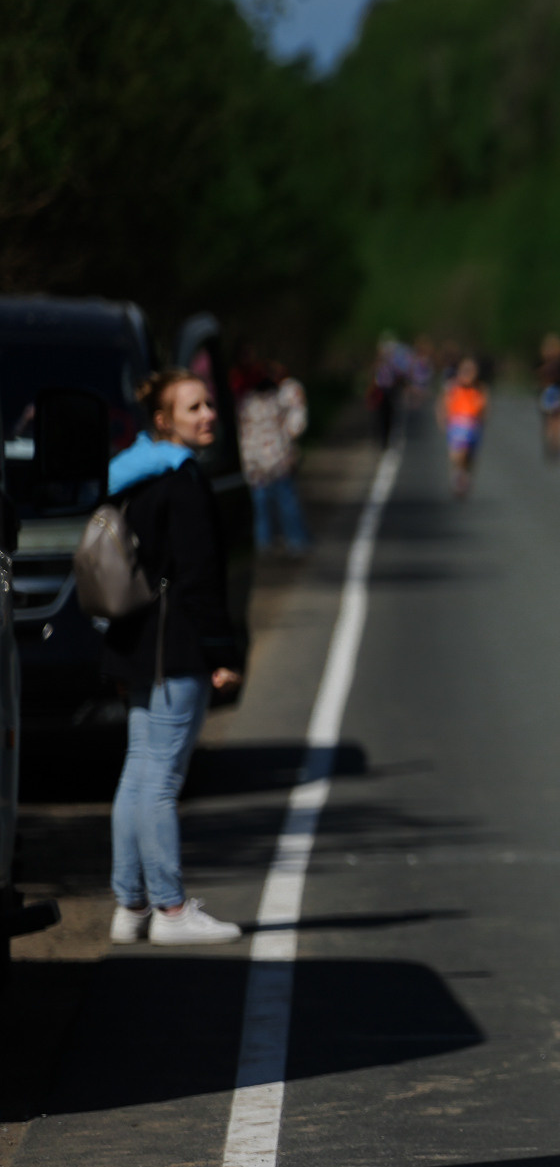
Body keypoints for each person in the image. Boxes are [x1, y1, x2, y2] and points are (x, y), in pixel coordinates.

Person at [103, 371, 247, 945]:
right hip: (176, 648)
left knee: (138, 775)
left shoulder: (131, 476)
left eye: (210, 403)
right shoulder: (184, 480)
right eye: (194, 407)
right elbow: (200, 579)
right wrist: (222, 651)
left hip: (136, 643)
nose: (209, 414)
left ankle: (129, 906)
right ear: (164, 421)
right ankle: (170, 910)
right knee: (160, 780)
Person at [238, 360, 310, 555]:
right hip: (271, 463)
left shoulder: (249, 403)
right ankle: (287, 543)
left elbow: (296, 422)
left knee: (270, 507)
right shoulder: (268, 401)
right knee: (279, 505)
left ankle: (274, 544)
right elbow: (295, 425)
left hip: (263, 464)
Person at [444, 357, 487, 498]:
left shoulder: (480, 389)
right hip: (457, 424)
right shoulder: (453, 387)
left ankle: (464, 477)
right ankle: (458, 478)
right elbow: (444, 403)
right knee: (458, 455)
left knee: (469, 458)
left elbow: (485, 408)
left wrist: (481, 421)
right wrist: (444, 419)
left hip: (473, 425)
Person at [536, 333, 560, 461]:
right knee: (551, 420)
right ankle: (553, 443)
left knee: (559, 420)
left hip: (559, 392)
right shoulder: (545, 363)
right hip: (550, 393)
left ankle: (557, 444)